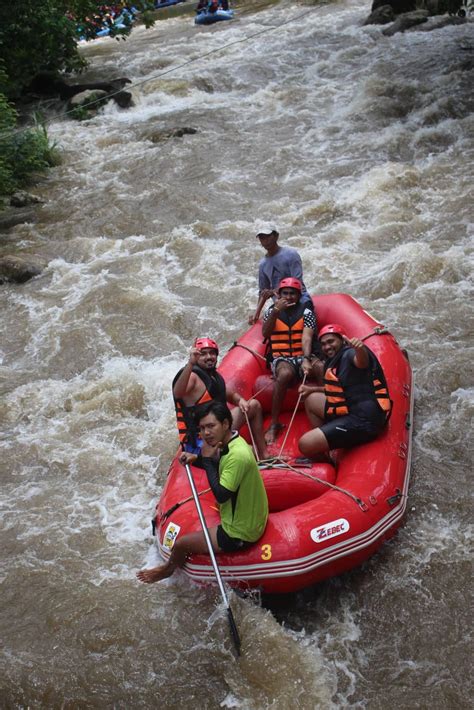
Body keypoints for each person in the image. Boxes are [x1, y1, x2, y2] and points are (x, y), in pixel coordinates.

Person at [136, 401, 269, 584]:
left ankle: (167, 570)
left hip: (240, 531)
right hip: (250, 518)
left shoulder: (237, 456)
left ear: (225, 424)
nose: (206, 433)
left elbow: (221, 495)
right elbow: (218, 462)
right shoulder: (234, 442)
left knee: (182, 544)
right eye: (203, 428)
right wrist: (197, 458)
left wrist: (205, 460)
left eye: (211, 426)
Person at [298, 324, 392, 459]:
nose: (327, 347)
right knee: (311, 399)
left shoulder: (350, 354)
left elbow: (361, 361)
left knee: (305, 444)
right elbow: (337, 390)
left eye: (331, 341)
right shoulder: (336, 360)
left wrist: (359, 349)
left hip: (363, 421)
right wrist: (311, 389)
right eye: (323, 344)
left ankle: (327, 456)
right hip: (349, 409)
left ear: (342, 340)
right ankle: (326, 450)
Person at [173, 337, 268, 460]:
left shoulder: (214, 377)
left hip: (219, 428)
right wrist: (190, 363)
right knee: (247, 453)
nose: (209, 357)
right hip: (202, 438)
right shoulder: (192, 377)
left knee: (253, 405)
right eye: (203, 354)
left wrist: (240, 401)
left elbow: (231, 395)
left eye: (212, 353)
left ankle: (264, 455)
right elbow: (178, 393)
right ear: (196, 357)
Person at [261, 277, 323, 445]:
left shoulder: (307, 312)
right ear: (279, 295)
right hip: (281, 358)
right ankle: (274, 424)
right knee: (285, 374)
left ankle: (330, 410)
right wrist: (275, 312)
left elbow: (307, 338)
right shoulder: (271, 311)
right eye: (285, 293)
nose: (288, 297)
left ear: (299, 295)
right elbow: (265, 334)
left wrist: (306, 358)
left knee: (321, 367)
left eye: (292, 294)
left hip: (302, 354)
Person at [248, 223, 312, 326]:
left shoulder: (291, 254)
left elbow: (297, 281)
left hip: (299, 299)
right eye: (262, 238)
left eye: (268, 236)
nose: (265, 240)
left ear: (276, 236)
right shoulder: (263, 264)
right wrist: (257, 313)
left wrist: (273, 292)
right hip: (279, 305)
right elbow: (263, 292)